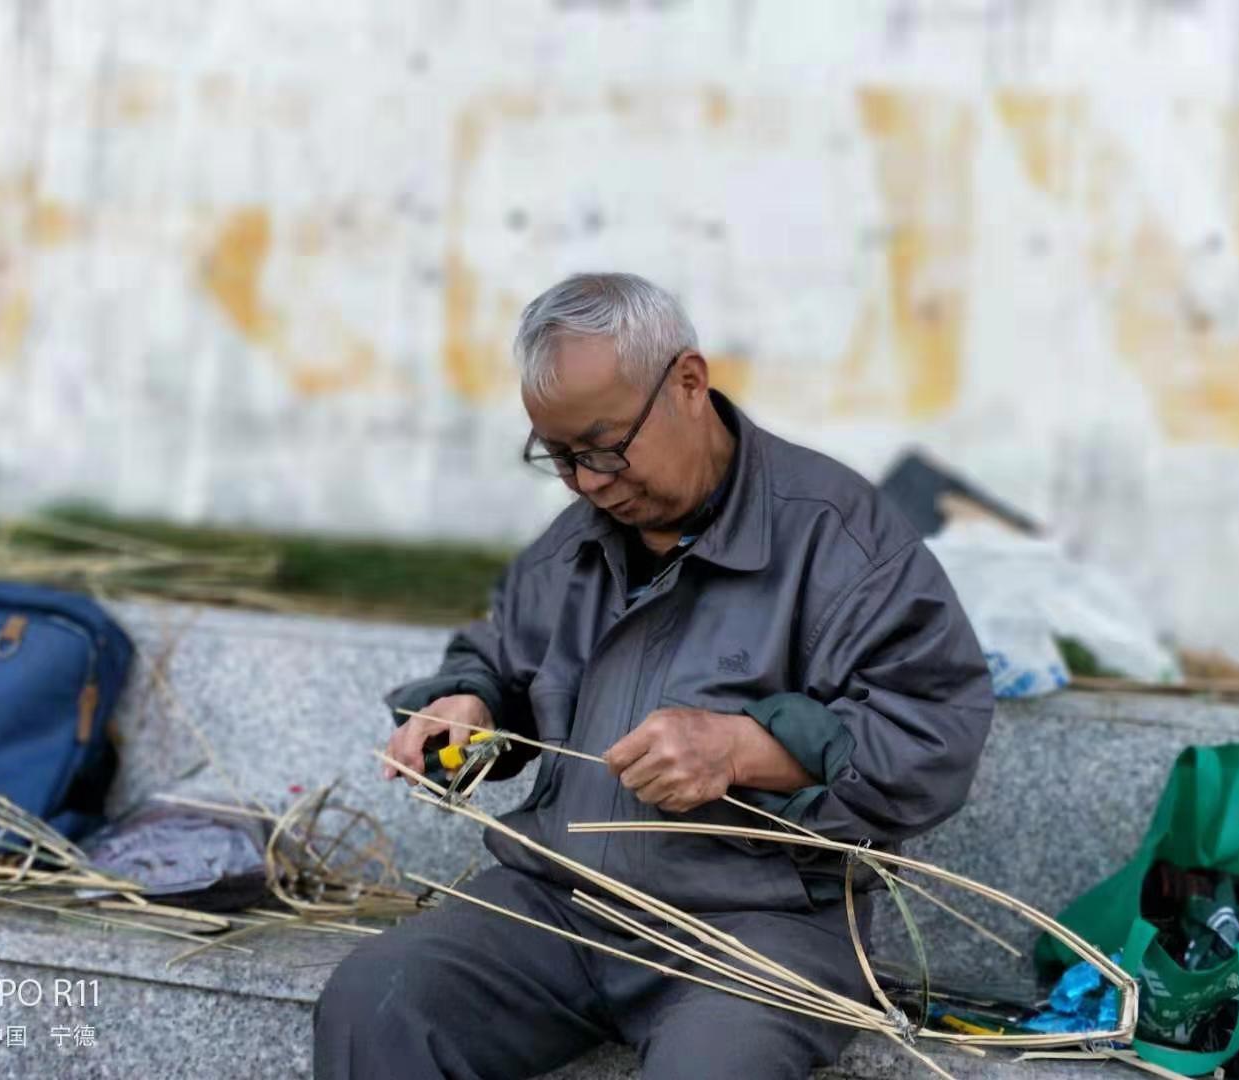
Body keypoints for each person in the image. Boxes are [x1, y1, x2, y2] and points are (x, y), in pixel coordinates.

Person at [314, 272, 993, 1080]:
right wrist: (470, 706)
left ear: (688, 383)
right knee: (375, 1003)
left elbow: (934, 732)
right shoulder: (576, 543)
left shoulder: (838, 537)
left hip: (756, 931)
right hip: (559, 905)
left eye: (604, 446)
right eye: (560, 457)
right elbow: (501, 658)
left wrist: (744, 750)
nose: (590, 481)